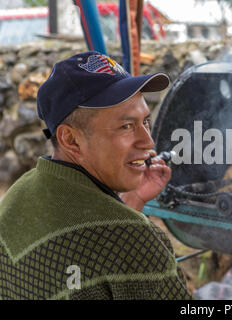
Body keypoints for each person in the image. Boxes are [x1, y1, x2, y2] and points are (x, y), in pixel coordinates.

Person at [0, 51, 193, 300]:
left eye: (145, 121)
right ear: (71, 140)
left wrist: (129, 203)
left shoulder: (18, 195)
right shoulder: (135, 241)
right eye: (126, 126)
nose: (148, 142)